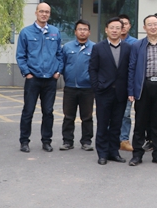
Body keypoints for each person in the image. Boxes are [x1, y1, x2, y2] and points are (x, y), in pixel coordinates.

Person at [127, 15, 157, 166]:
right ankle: (137, 154)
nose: (153, 27)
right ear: (144, 28)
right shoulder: (137, 45)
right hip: (143, 87)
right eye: (150, 25)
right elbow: (131, 68)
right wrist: (131, 91)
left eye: (156, 24)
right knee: (140, 122)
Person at [16, 2, 63, 153]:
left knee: (48, 112)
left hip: (50, 79)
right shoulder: (26, 32)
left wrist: (58, 71)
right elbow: (20, 55)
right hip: (33, 78)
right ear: (36, 12)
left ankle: (46, 141)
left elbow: (60, 54)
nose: (44, 14)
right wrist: (27, 74)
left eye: (47, 12)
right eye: (41, 11)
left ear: (49, 14)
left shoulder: (55, 32)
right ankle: (24, 141)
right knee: (28, 111)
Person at [89, 17, 131, 165]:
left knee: (116, 124)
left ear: (122, 30)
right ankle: (102, 153)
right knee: (102, 124)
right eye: (112, 27)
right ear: (106, 30)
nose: (114, 30)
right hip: (103, 92)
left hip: (121, 92)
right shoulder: (98, 47)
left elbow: (129, 70)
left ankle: (114, 152)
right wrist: (96, 86)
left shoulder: (127, 48)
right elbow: (93, 69)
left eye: (118, 28)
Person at [59, 19, 95, 152]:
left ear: (89, 32)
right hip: (70, 87)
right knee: (68, 116)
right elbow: (62, 64)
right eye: (80, 29)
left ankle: (86, 141)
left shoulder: (94, 47)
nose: (82, 32)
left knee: (87, 117)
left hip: (87, 88)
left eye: (85, 29)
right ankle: (67, 141)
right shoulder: (67, 47)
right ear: (75, 32)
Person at [118, 14, 137, 153]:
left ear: (130, 26)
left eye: (126, 24)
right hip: (112, 85)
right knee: (111, 114)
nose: (123, 26)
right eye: (120, 24)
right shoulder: (110, 42)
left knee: (126, 114)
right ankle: (112, 139)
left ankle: (124, 140)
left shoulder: (135, 44)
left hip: (128, 84)